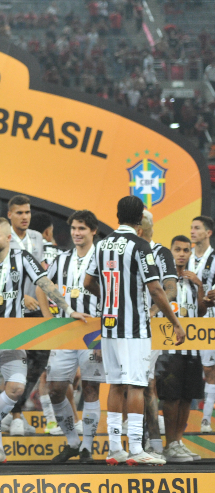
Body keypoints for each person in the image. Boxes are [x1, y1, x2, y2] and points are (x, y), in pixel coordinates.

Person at [0, 217, 85, 463]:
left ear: (7, 238)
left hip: (13, 338)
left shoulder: (23, 258)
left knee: (15, 389)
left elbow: (46, 285)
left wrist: (68, 310)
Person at [83, 195, 184, 465]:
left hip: (109, 325)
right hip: (134, 326)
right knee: (137, 384)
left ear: (117, 215)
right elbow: (155, 288)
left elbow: (87, 281)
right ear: (139, 219)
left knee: (115, 384)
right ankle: (137, 448)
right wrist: (174, 321)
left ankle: (115, 447)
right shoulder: (140, 246)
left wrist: (107, 300)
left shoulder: (102, 245)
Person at [42, 210, 104, 463]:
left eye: (82, 229)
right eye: (74, 229)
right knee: (55, 389)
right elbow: (43, 284)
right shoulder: (62, 258)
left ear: (93, 231)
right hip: (65, 329)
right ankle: (72, 442)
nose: (77, 233)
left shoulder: (102, 258)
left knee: (90, 388)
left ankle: (87, 447)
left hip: (94, 330)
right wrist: (48, 320)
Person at [155, 235, 206, 463]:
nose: (183, 254)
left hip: (193, 348)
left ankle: (178, 441)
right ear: (170, 252)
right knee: (172, 397)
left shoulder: (193, 280)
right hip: (169, 349)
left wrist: (201, 287)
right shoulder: (163, 281)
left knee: (187, 397)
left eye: (186, 250)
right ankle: (169, 444)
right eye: (178, 250)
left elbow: (202, 313)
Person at [6, 195, 51, 435]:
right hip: (12, 312)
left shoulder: (36, 238)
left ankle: (15, 410)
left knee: (40, 361)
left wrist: (46, 315)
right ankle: (14, 416)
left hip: (35, 312)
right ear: (10, 215)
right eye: (20, 213)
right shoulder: (3, 237)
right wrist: (20, 297)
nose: (25, 217)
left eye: (27, 212)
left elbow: (41, 278)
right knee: (17, 363)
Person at [140, 209, 178, 454]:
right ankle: (139, 440)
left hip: (149, 328)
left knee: (146, 382)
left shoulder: (160, 253)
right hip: (126, 325)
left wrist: (152, 311)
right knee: (129, 383)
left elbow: (170, 289)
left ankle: (153, 443)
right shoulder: (127, 250)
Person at [189, 215, 215, 432]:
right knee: (188, 367)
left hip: (209, 319)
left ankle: (205, 418)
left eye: (197, 228)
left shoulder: (214, 257)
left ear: (208, 233)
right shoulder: (186, 256)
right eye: (191, 228)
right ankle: (186, 418)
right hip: (187, 319)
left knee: (208, 369)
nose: (192, 231)